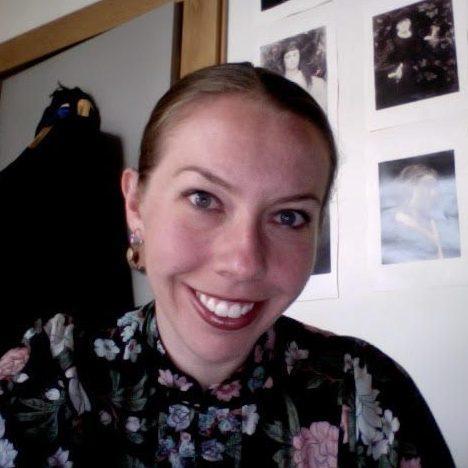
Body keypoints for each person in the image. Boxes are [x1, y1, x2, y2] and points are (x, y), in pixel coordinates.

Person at [0, 63, 454, 467]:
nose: (243, 263)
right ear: (136, 204)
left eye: (289, 217)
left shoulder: (368, 391)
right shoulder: (49, 375)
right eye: (203, 198)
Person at [282, 42, 327, 112]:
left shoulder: (316, 82)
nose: (292, 59)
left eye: (295, 55)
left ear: (299, 56)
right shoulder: (278, 84)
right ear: (282, 60)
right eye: (288, 57)